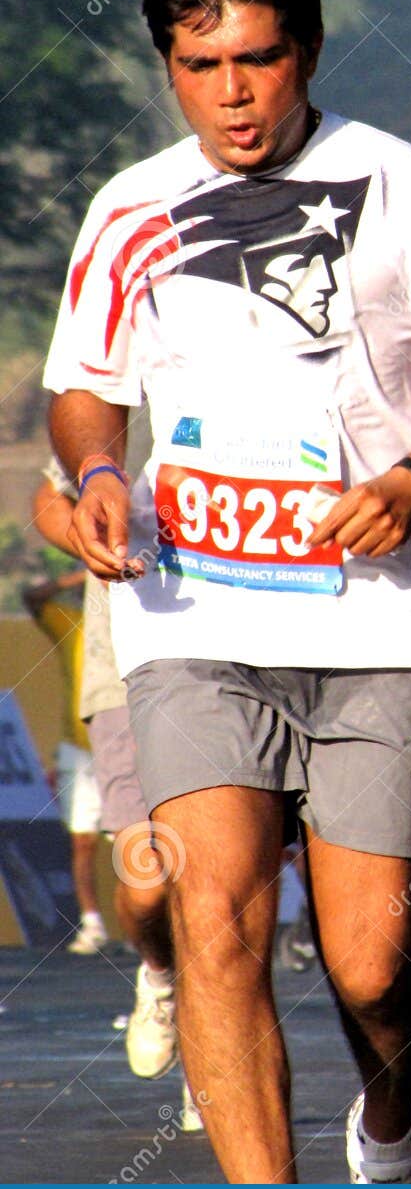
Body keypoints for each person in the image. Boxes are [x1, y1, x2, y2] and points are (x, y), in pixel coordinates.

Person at [43, 0, 411, 1184]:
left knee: (374, 965)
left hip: (379, 629)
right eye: (201, 66)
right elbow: (82, 385)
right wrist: (100, 467)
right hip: (195, 625)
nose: (233, 95)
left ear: (309, 49)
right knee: (215, 920)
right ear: (170, 65)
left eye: (259, 60)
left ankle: (387, 1122)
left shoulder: (402, 186)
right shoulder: (131, 210)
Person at [31, 464, 182, 1083]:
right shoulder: (110, 397)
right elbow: (48, 496)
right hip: (122, 670)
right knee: (147, 883)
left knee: (228, 887)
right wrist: (86, 539)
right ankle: (160, 976)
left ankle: (217, 1077)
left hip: (244, 664)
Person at [22, 563, 105, 955]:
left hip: (122, 747)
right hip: (78, 748)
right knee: (82, 842)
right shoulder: (69, 621)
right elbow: (32, 597)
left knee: (137, 844)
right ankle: (92, 923)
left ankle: (150, 928)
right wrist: (83, 573)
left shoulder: (131, 629)